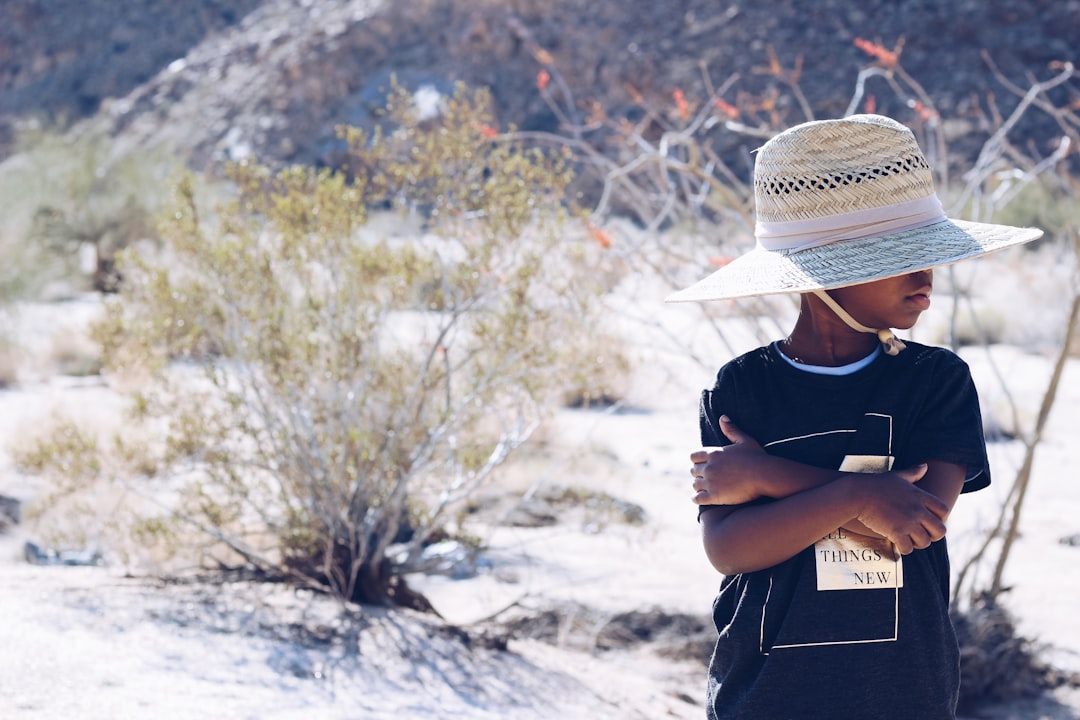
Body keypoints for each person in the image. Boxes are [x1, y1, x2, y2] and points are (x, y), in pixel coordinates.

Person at [665, 114, 1043, 720]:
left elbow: (916, 521)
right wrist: (860, 496)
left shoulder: (935, 381)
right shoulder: (742, 389)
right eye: (901, 257)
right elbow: (731, 549)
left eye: (930, 255)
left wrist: (771, 477)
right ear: (822, 272)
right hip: (763, 694)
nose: (927, 277)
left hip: (903, 694)